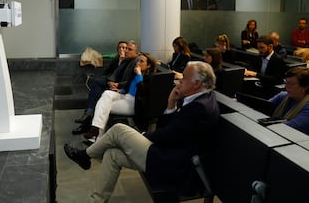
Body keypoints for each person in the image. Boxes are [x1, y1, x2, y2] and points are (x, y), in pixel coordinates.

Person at [63, 61, 220, 202]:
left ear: (197, 83)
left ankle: (85, 155)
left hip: (173, 165)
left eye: (184, 77)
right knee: (112, 155)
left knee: (118, 130)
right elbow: (169, 130)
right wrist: (171, 103)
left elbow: (167, 135)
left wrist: (143, 135)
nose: (180, 80)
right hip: (168, 154)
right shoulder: (199, 99)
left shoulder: (199, 108)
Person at [83, 53, 157, 140]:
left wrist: (139, 75)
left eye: (142, 61)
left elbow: (142, 92)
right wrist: (122, 90)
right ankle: (96, 132)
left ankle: (96, 134)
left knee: (104, 106)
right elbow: (129, 85)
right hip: (126, 96)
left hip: (135, 104)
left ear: (148, 65)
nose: (138, 63)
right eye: (138, 60)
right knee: (107, 93)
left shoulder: (150, 78)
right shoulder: (135, 72)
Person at [72, 40, 139, 135]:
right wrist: (110, 81)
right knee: (97, 88)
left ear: (137, 52)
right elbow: (112, 72)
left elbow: (133, 81)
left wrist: (118, 85)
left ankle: (89, 123)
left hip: (123, 90)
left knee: (100, 95)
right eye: (124, 48)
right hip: (116, 84)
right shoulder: (124, 59)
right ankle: (90, 123)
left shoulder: (136, 62)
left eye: (128, 49)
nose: (125, 50)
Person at [268, 67, 309, 135]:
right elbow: (262, 106)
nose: (286, 86)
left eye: (291, 84)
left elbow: (290, 128)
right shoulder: (283, 96)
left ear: (305, 87)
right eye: (286, 82)